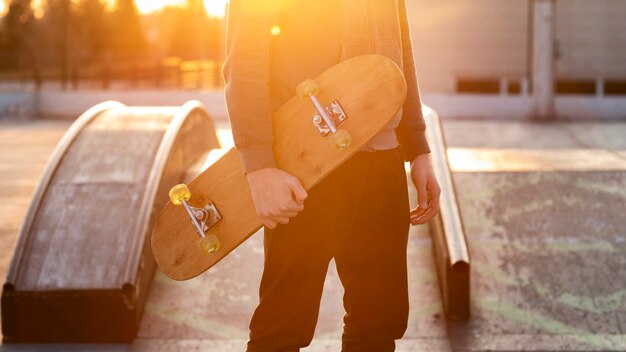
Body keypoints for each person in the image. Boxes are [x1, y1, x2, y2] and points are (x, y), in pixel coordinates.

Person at [223, 1, 441, 351]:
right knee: (282, 326)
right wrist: (259, 166)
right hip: (309, 163)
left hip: (383, 159)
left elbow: (400, 50)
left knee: (379, 322)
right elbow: (245, 60)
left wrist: (417, 147)